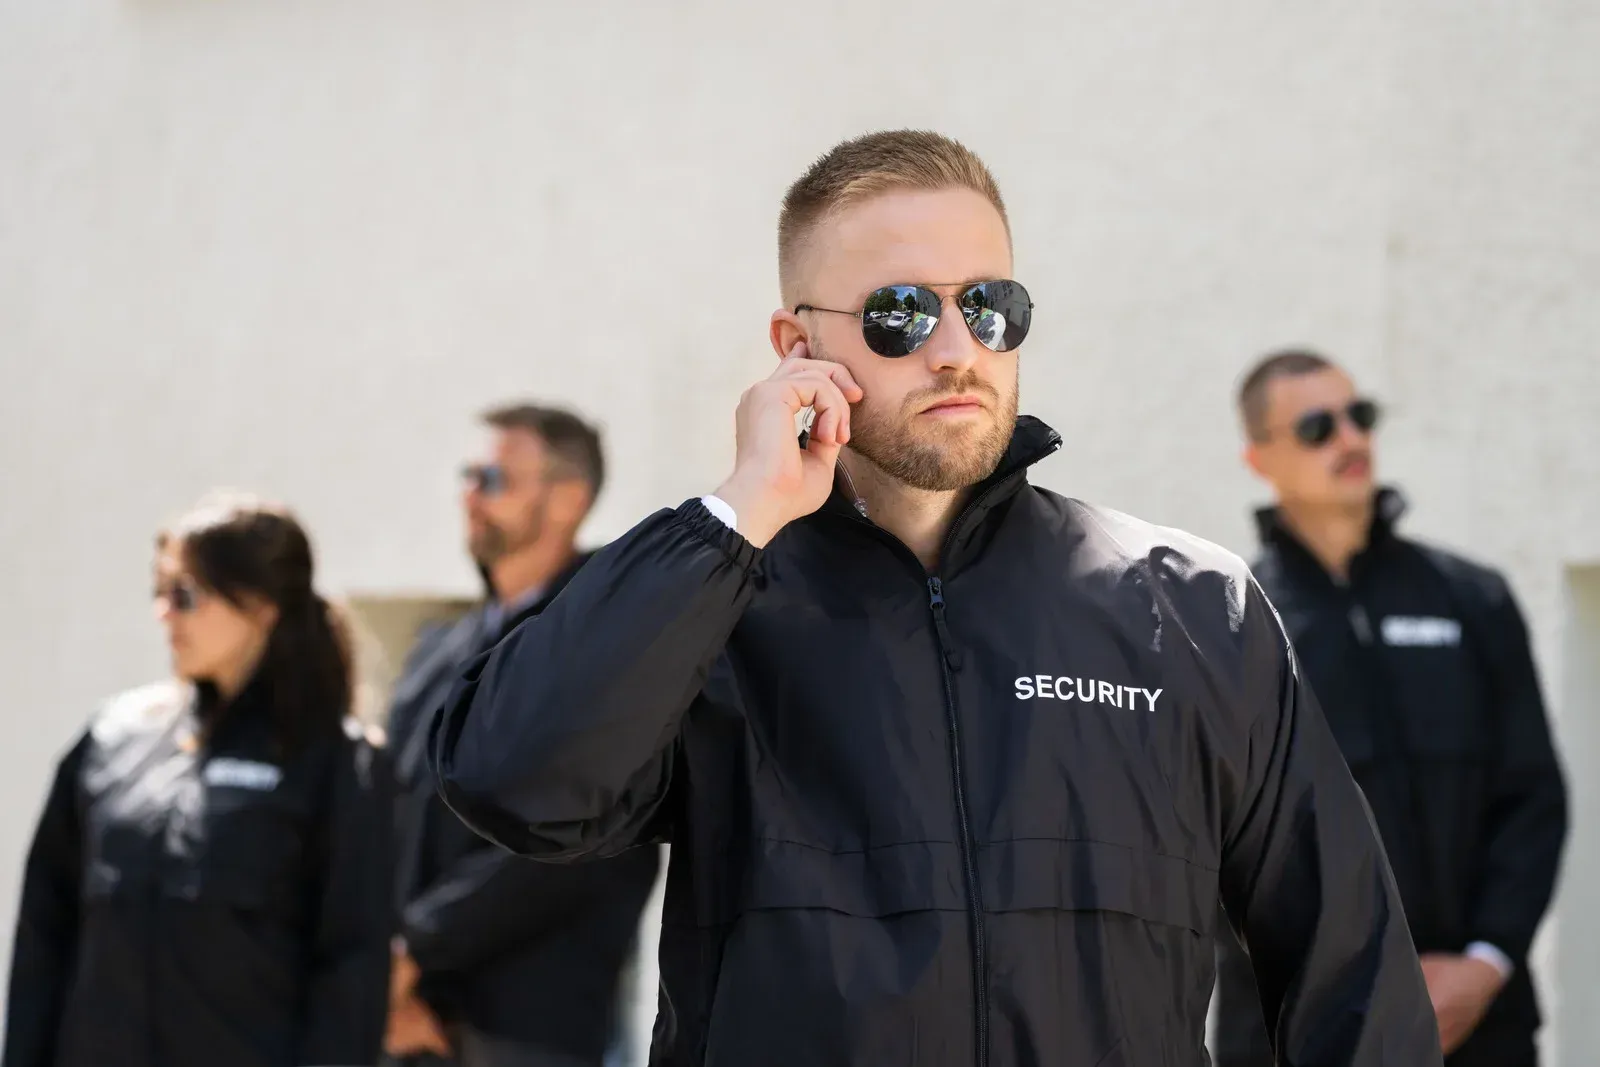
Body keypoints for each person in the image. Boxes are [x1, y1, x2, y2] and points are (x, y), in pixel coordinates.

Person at [430, 130, 1443, 1066]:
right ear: (796, 345)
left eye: (989, 304)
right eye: (901, 311)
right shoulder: (714, 602)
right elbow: (513, 782)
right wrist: (738, 510)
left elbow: (1347, 971)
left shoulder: (1189, 607)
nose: (955, 345)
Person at [1212, 349, 1568, 1067]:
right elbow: (1208, 840)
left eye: (1360, 415)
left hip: (1476, 1024)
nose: (1351, 439)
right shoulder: (1225, 621)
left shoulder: (1472, 600)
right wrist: (1344, 990)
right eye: (1318, 426)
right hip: (1299, 1034)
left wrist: (1486, 961)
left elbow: (1532, 798)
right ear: (1261, 459)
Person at [3, 493, 394, 1067]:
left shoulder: (338, 765)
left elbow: (350, 975)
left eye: (185, 595)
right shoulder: (111, 741)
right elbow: (44, 939)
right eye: (159, 593)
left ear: (261, 606)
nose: (165, 613)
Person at [385, 404, 660, 1067]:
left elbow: (577, 835)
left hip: (525, 1027)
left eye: (495, 479)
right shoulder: (440, 648)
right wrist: (385, 975)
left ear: (568, 499)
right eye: (469, 475)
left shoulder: (603, 635)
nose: (471, 497)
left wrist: (413, 953)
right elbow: (389, 807)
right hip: (408, 1016)